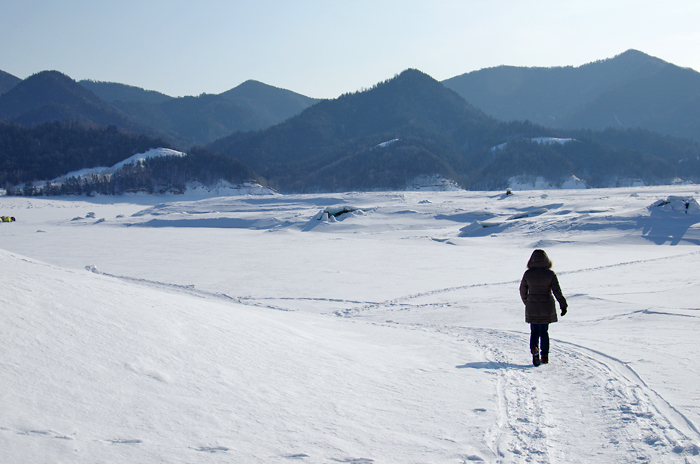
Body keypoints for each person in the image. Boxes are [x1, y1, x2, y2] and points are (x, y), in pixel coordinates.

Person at [519, 249, 567, 366]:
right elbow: (557, 291)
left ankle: (534, 349)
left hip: (532, 306)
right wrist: (563, 304)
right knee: (544, 332)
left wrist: (528, 302)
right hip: (547, 305)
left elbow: (522, 290)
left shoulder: (528, 274)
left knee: (534, 331)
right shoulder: (550, 274)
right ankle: (545, 355)